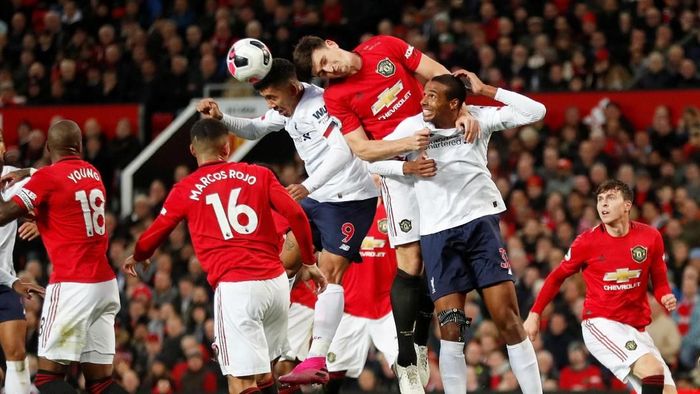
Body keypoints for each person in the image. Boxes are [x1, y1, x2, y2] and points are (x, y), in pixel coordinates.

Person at [293, 34, 475, 393]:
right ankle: (408, 356)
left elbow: (435, 73)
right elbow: (361, 148)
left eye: (325, 61)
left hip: (441, 155)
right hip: (399, 171)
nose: (330, 70)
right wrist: (407, 145)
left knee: (437, 255)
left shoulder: (384, 46)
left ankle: (420, 346)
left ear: (331, 44)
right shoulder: (335, 97)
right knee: (410, 259)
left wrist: (463, 109)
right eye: (322, 72)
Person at [197, 58, 382, 385]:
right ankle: (251, 335)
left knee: (329, 272)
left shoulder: (318, 108)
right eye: (267, 99)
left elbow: (342, 152)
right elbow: (255, 127)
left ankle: (317, 357)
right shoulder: (288, 109)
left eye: (273, 98)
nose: (271, 105)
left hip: (350, 199)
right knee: (283, 265)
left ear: (293, 88)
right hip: (319, 195)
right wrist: (223, 118)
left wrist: (307, 185)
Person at [368, 72, 546, 394]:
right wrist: (407, 167)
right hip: (437, 236)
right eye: (424, 94)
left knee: (507, 319)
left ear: (454, 103)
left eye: (432, 96)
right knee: (451, 329)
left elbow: (535, 112)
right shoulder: (412, 129)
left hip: (480, 227)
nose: (423, 100)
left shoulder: (478, 119)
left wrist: (485, 90)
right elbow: (372, 162)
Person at [123, 118, 327, 394]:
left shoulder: (185, 189)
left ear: (193, 151)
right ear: (228, 147)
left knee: (239, 382)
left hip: (236, 288)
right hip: (276, 285)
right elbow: (296, 214)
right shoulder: (259, 174)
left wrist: (139, 254)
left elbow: (155, 233)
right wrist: (309, 262)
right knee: (264, 371)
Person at [0, 120, 125, 393]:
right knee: (101, 383)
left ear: (47, 147)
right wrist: (31, 172)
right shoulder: (93, 172)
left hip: (72, 286)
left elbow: (2, 215)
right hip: (105, 284)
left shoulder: (47, 179)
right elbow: (63, 186)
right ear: (79, 147)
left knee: (48, 378)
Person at [524, 179, 678, 394]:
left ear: (627, 205)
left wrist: (665, 296)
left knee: (669, 391)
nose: (603, 204)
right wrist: (535, 313)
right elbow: (556, 277)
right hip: (601, 323)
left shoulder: (650, 237)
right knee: (652, 370)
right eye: (600, 199)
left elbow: (660, 282)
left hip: (637, 327)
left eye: (610, 198)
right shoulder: (587, 242)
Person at [325, 190, 399, 393]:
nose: (372, 178)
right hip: (349, 306)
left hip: (387, 307)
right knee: (331, 372)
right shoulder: (343, 212)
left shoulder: (395, 211)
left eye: (376, 172)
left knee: (407, 371)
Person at [0, 129, 45, 394]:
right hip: (8, 280)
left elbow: (56, 183)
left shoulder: (12, 177)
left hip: (4, 284)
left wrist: (42, 222)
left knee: (16, 353)